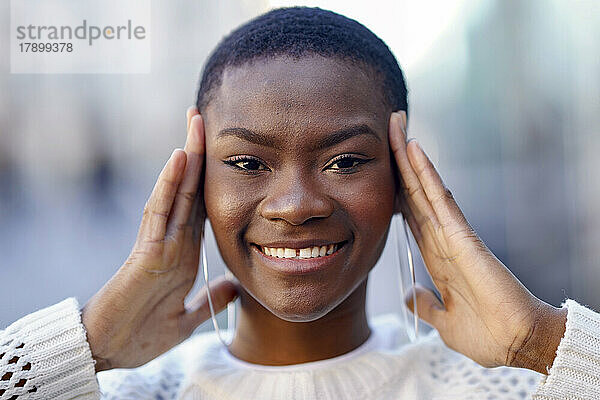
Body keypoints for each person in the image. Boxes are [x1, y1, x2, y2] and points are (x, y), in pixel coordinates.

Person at [1, 7, 599, 399]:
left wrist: (541, 344)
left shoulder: (506, 389)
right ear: (197, 183)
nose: (295, 205)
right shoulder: (122, 392)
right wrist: (89, 345)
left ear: (404, 179)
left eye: (345, 161)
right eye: (247, 163)